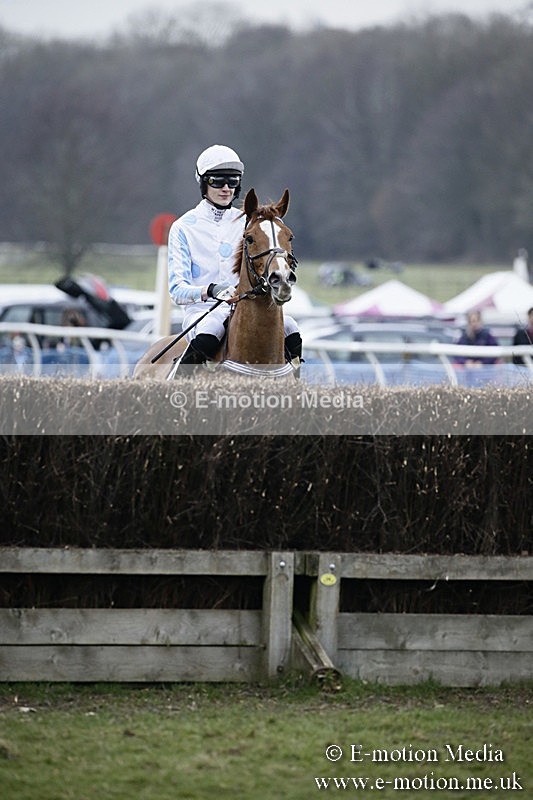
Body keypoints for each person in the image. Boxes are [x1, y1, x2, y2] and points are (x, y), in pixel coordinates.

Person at [167, 144, 302, 369]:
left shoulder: (249, 224)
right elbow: (177, 290)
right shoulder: (182, 227)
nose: (226, 188)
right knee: (210, 332)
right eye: (217, 181)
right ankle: (179, 390)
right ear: (203, 182)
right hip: (203, 312)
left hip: (247, 308)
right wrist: (211, 290)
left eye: (233, 181)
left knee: (291, 329)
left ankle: (294, 391)